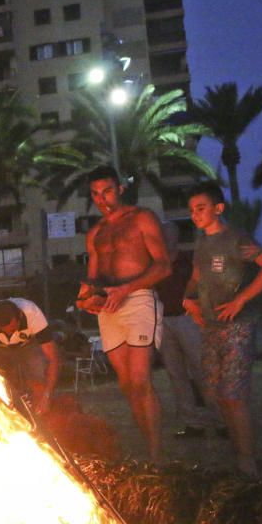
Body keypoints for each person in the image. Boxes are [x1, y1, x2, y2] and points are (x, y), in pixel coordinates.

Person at [183, 182, 262, 477]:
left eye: (200, 208)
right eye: (191, 210)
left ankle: (247, 460)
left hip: (237, 327)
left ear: (218, 208)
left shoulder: (236, 239)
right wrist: (188, 299)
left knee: (234, 395)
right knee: (217, 394)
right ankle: (237, 450)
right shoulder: (202, 243)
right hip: (211, 327)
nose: (194, 215)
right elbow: (197, 274)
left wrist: (241, 299)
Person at [76, 166, 171, 463]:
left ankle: (157, 457)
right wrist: (84, 298)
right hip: (109, 308)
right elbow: (92, 279)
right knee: (127, 385)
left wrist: (127, 289)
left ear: (120, 188)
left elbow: (163, 266)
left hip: (139, 299)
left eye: (106, 191)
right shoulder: (95, 233)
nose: (101, 198)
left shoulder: (142, 218)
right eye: (95, 194)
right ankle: (149, 448)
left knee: (141, 380)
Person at [156, 221, 220, 438]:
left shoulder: (188, 259)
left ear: (177, 237)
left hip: (188, 319)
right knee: (176, 374)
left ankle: (221, 420)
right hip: (164, 321)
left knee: (202, 370)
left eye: (171, 234)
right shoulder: (157, 263)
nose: (167, 238)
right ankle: (192, 423)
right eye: (163, 234)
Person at [0, 298, 61, 419]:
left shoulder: (33, 314)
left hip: (28, 344)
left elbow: (52, 358)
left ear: (20, 316)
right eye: (5, 331)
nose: (10, 334)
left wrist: (47, 396)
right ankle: (2, 415)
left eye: (13, 329)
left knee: (38, 369)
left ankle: (42, 412)